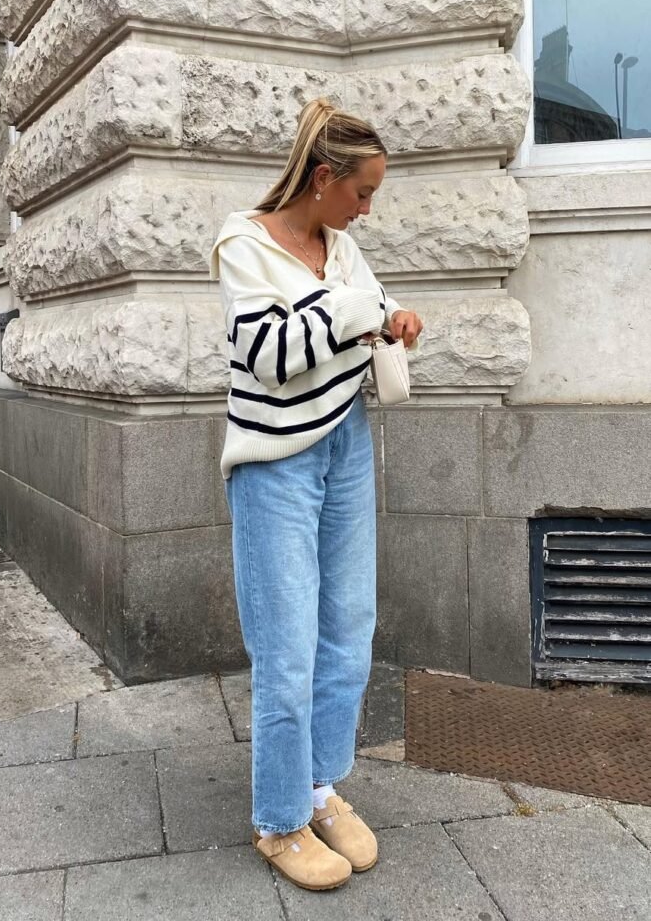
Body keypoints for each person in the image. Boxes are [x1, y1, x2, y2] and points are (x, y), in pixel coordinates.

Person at [209, 98, 423, 891]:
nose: (367, 210)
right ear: (324, 178)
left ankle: (317, 785)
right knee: (287, 642)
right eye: (361, 193)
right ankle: (277, 819)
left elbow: (359, 317)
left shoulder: (341, 251)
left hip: (345, 443)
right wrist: (356, 311)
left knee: (348, 626)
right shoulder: (244, 244)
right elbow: (268, 354)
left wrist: (391, 317)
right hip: (275, 462)